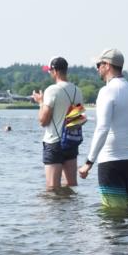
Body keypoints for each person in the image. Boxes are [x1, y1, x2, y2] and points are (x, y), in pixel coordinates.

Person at [78, 48, 128, 211]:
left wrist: (88, 162)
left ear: (107, 65)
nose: (97, 69)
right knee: (125, 211)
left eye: (98, 65)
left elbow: (102, 128)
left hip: (110, 162)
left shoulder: (107, 91)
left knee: (112, 214)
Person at [31, 56, 82, 189]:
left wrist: (41, 102)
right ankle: (70, 204)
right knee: (71, 186)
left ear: (55, 71)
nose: (49, 73)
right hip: (71, 142)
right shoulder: (77, 91)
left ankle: (56, 205)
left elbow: (43, 121)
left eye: (49, 71)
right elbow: (76, 120)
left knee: (52, 189)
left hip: (54, 143)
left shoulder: (52, 90)